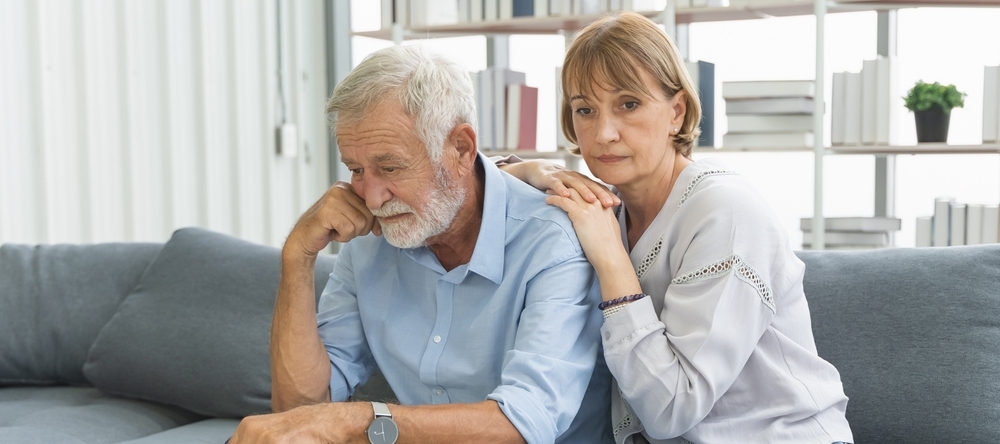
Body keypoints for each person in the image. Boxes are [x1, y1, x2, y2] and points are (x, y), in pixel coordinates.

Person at [228, 44, 612, 444]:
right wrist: (298, 256)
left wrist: (352, 421)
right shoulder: (369, 241)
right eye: (357, 170)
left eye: (390, 167)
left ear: (461, 148)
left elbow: (523, 423)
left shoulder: (551, 241)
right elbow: (300, 409)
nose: (372, 198)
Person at [501, 11, 853, 444]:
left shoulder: (725, 212)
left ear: (677, 111)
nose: (604, 132)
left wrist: (613, 262)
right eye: (585, 110)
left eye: (628, 104)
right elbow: (462, 185)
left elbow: (672, 408)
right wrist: (535, 170)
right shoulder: (606, 207)